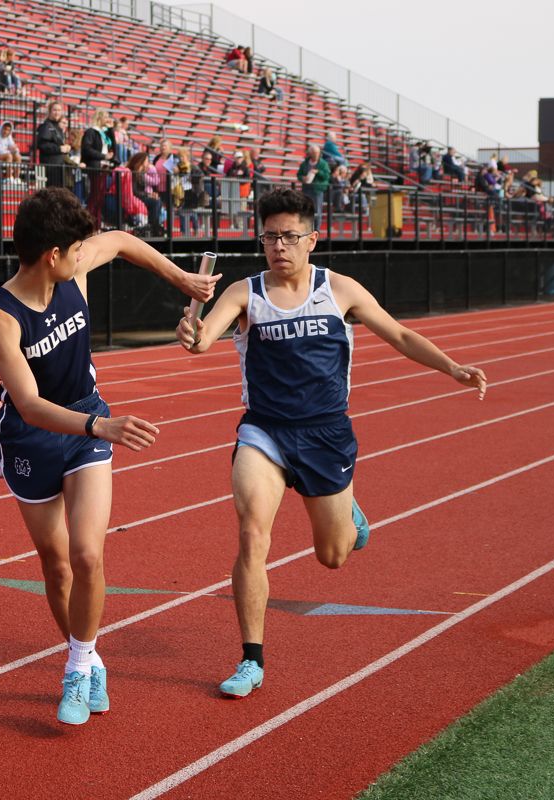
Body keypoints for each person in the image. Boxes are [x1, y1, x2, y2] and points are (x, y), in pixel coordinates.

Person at [175, 188, 487, 699]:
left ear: (312, 239)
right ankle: (251, 659)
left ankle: (349, 514)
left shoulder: (339, 289)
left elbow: (400, 335)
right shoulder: (244, 293)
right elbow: (202, 339)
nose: (279, 246)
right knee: (252, 535)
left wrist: (451, 367)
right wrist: (192, 335)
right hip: (264, 432)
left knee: (333, 555)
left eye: (289, 236)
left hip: (326, 435)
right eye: (270, 237)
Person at [0, 187, 218, 725]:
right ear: (52, 255)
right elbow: (29, 404)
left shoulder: (75, 267)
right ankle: (88, 654)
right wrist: (102, 426)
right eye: (75, 248)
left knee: (87, 554)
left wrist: (181, 279)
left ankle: (77, 665)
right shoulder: (2, 317)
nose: (83, 253)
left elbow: (121, 241)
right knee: (55, 562)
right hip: (34, 436)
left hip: (87, 424)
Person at [296, 144, 330, 227]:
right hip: (306, 189)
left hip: (317, 190)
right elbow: (299, 174)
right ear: (310, 153)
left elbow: (326, 176)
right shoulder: (305, 163)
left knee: (317, 210)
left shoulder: (323, 164)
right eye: (314, 153)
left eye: (317, 153)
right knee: (306, 209)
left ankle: (316, 229)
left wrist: (318, 172)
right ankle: (306, 228)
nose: (316, 154)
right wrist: (302, 178)